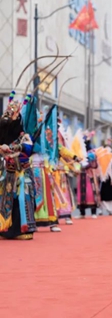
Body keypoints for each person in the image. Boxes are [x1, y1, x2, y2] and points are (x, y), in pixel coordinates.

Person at [0, 94, 37, 240]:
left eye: (12, 112)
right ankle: (5, 228)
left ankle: (23, 229)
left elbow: (28, 147)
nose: (8, 114)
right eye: (7, 112)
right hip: (6, 172)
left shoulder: (23, 134)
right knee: (5, 199)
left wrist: (12, 147)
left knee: (22, 199)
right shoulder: (2, 131)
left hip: (22, 172)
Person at [76, 133, 100, 219]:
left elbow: (92, 163)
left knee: (91, 193)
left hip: (89, 176)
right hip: (81, 175)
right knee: (81, 194)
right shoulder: (79, 153)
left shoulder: (92, 152)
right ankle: (82, 213)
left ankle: (93, 212)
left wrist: (85, 160)